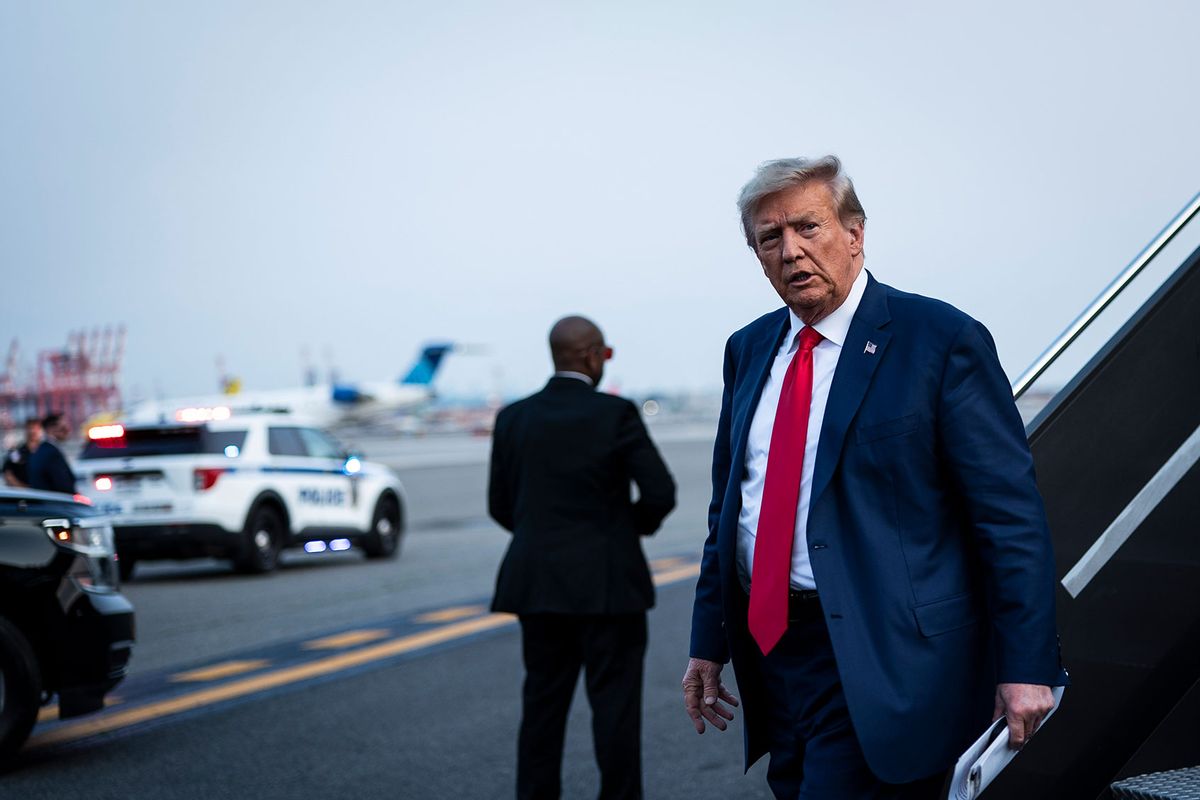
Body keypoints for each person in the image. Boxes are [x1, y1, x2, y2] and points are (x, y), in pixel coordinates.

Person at [682, 156, 1066, 799]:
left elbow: (1009, 518)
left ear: (855, 234)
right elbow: (731, 509)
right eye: (769, 238)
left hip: (887, 653)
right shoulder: (748, 349)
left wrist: (1028, 665)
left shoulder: (939, 338)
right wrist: (709, 642)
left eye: (808, 227)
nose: (791, 251)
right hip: (776, 652)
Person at [490, 315, 677, 800]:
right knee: (615, 716)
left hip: (538, 585)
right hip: (610, 589)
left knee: (542, 711)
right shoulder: (614, 415)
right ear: (593, 354)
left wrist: (544, 537)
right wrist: (622, 531)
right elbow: (660, 492)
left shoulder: (513, 418)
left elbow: (500, 504)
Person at [26, 413, 77, 494]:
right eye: (63, 428)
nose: (68, 431)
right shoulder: (51, 453)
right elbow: (63, 485)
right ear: (50, 429)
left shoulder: (42, 450)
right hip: (56, 503)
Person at [2, 418, 43, 488]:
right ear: (25, 430)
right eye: (30, 428)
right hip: (24, 494)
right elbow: (8, 473)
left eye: (36, 428)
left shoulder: (48, 451)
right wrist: (23, 488)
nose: (33, 431)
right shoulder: (16, 452)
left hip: (46, 493)